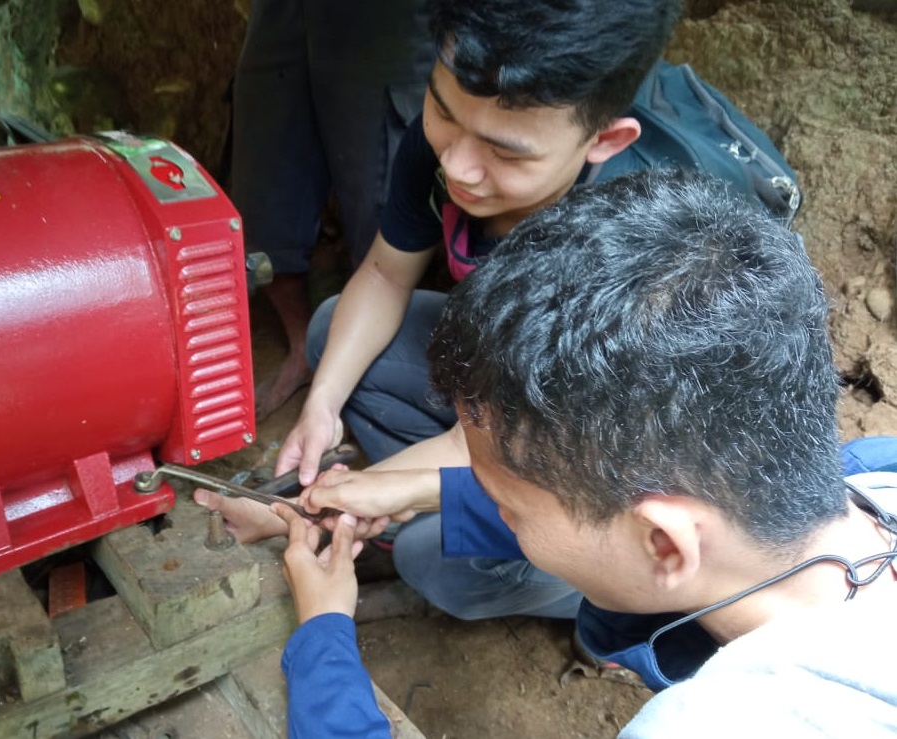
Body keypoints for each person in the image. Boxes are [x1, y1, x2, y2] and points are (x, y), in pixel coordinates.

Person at [274, 169, 897, 737]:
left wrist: (323, 637)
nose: (493, 505)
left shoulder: (703, 726)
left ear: (664, 544)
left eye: (510, 507)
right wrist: (402, 490)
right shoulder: (872, 470)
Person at [203, 0, 688, 621]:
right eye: (440, 110)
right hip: (510, 401)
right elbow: (383, 273)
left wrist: (319, 504)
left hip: (612, 471)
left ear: (605, 140)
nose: (457, 164)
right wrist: (321, 406)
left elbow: (484, 444)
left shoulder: (622, 253)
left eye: (506, 153)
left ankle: (609, 601)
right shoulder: (457, 139)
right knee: (335, 338)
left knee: (433, 557)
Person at [229, 0, 434, 420]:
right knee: (264, 180)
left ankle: (360, 372)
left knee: (381, 189)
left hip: (383, 20)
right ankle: (305, 350)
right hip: (284, 11)